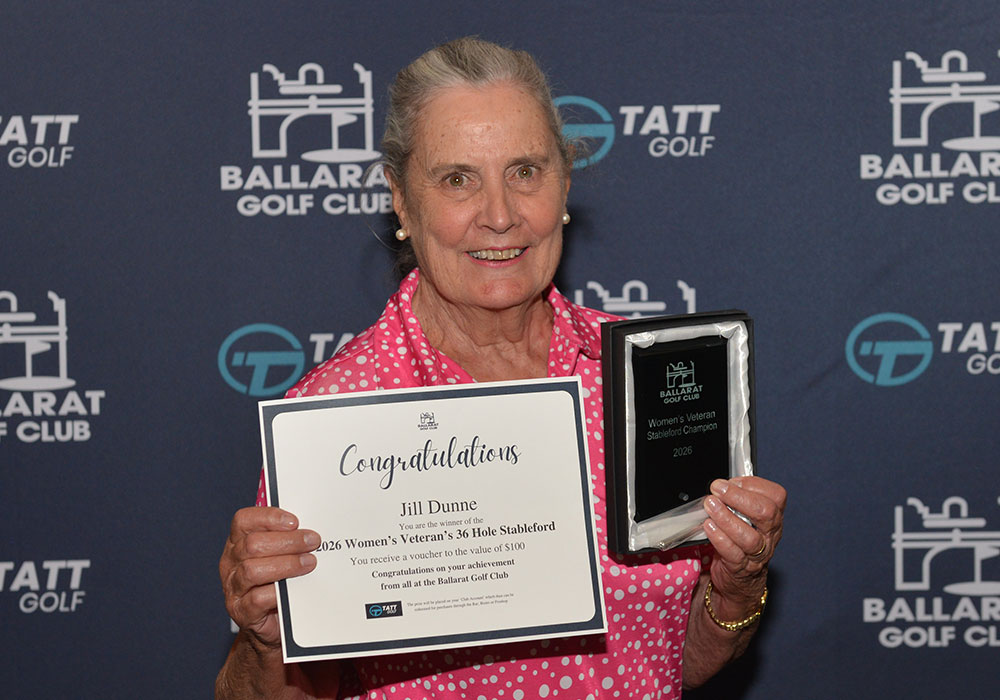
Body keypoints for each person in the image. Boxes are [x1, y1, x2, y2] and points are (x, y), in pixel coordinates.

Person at [217, 36, 786, 700]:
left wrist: (737, 585)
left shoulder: (648, 379)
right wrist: (265, 642)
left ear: (564, 183)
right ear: (401, 198)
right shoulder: (331, 416)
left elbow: (670, 661)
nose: (499, 215)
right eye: (457, 179)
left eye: (525, 171)